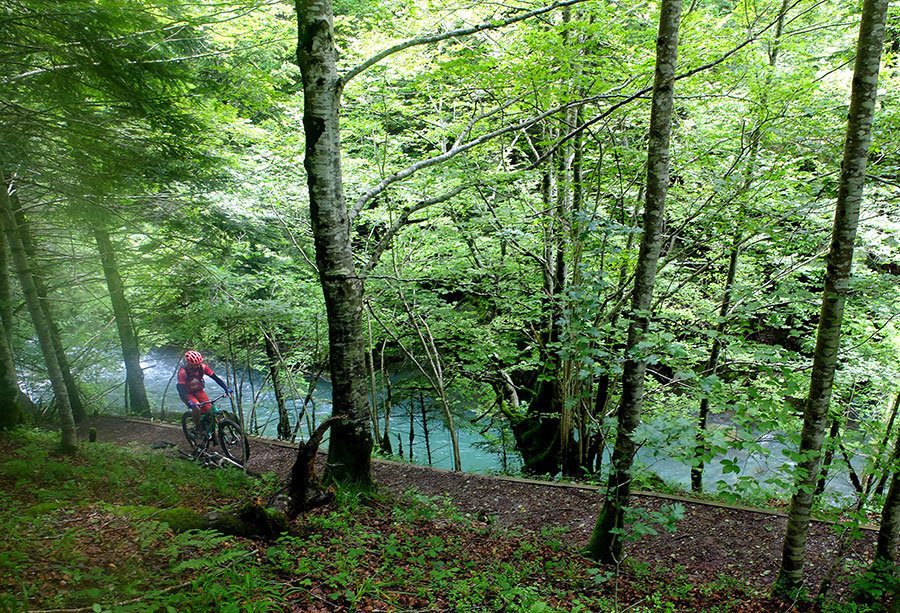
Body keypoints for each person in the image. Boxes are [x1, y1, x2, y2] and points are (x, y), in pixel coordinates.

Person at [177, 350, 232, 429]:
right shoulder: (183, 372)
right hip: (187, 393)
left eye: (199, 364)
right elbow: (180, 389)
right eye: (195, 365)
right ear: (190, 364)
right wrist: (188, 401)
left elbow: (215, 378)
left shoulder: (203, 367)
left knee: (209, 410)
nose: (198, 366)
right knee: (196, 407)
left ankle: (207, 427)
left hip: (198, 390)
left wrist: (226, 388)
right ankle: (198, 426)